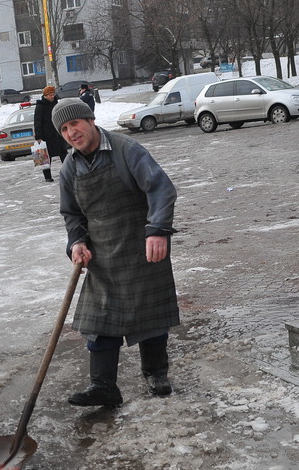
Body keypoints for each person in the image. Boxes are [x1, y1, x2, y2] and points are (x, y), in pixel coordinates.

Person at [53, 98, 179, 407]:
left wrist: (158, 229)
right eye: (65, 129)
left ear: (91, 120)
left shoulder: (126, 150)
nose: (72, 133)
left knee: (149, 315)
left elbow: (161, 189)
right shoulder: (70, 166)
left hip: (142, 246)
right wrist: (77, 242)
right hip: (103, 254)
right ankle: (104, 386)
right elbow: (71, 214)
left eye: (76, 124)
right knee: (99, 319)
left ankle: (156, 374)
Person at [33, 86, 68, 182]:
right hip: (46, 136)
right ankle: (48, 177)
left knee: (64, 153)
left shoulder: (56, 103)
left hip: (58, 133)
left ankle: (69, 173)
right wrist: (39, 136)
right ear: (45, 95)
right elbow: (37, 122)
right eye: (50, 95)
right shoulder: (40, 106)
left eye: (53, 94)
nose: (52, 96)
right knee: (46, 157)